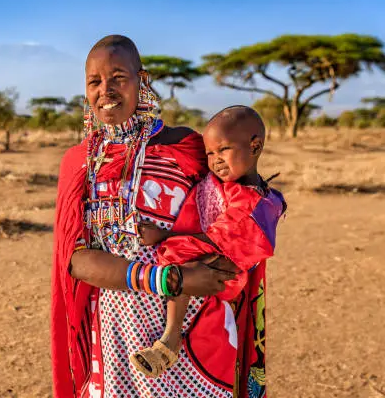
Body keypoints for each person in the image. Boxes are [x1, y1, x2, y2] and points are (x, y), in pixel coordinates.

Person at [51, 35, 246, 398]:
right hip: (117, 330)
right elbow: (74, 261)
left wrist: (205, 270)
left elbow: (234, 220)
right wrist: (169, 278)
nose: (105, 90)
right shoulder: (78, 163)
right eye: (95, 81)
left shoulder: (188, 147)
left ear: (143, 81)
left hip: (195, 324)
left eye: (118, 77)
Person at [129, 106, 287, 387]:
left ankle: (170, 339)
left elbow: (223, 239)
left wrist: (164, 238)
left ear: (255, 146)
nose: (215, 161)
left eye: (223, 150)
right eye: (210, 154)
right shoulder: (222, 186)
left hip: (223, 275)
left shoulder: (258, 201)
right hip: (210, 273)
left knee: (180, 265)